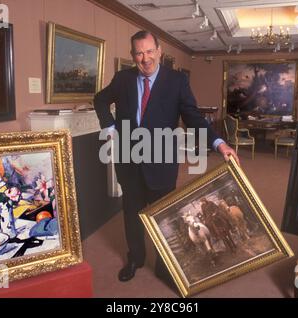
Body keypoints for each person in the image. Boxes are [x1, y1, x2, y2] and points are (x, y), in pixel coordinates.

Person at [94, 30, 239, 282]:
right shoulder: (123, 79)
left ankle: (165, 266)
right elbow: (100, 100)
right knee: (132, 214)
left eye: (150, 51)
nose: (145, 58)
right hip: (128, 162)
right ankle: (135, 259)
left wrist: (219, 143)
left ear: (159, 51)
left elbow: (193, 117)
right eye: (139, 53)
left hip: (161, 162)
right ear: (132, 55)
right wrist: (109, 127)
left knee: (165, 218)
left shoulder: (176, 81)